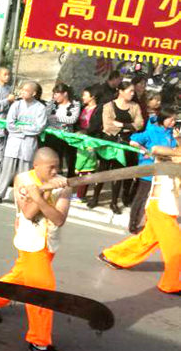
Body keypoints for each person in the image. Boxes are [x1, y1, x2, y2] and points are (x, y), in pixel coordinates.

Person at [0, 148, 71, 351]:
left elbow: (59, 219)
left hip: (49, 243)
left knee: (19, 277)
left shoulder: (63, 183)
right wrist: (45, 192)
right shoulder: (22, 179)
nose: (55, 171)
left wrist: (43, 192)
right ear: (36, 166)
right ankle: (39, 342)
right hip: (30, 244)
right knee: (42, 292)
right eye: (51, 167)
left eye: (57, 167)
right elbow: (29, 213)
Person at [98, 136, 181, 294]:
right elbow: (155, 149)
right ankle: (170, 284)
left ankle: (112, 256)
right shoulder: (164, 159)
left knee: (146, 240)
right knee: (176, 248)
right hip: (160, 208)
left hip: (165, 209)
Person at [86, 81, 144, 213]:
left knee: (118, 173)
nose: (132, 94)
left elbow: (140, 123)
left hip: (124, 143)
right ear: (121, 91)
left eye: (133, 91)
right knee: (103, 170)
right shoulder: (108, 105)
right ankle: (95, 198)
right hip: (109, 141)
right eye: (130, 91)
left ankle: (114, 202)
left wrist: (123, 126)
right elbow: (108, 125)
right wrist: (129, 126)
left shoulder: (135, 106)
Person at [0, 81, 47, 206]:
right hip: (14, 143)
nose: (23, 92)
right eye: (22, 90)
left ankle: (23, 198)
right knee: (6, 171)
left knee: (25, 174)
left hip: (28, 145)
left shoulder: (40, 108)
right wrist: (25, 130)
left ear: (34, 93)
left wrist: (21, 129)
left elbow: (39, 127)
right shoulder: (16, 105)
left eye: (26, 90)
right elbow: (10, 124)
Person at [124, 109, 178, 235]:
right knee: (141, 197)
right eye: (171, 119)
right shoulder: (152, 130)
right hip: (148, 170)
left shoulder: (170, 132)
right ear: (162, 119)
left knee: (154, 200)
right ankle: (134, 224)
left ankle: (150, 225)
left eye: (174, 119)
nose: (173, 122)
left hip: (162, 171)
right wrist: (146, 151)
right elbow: (133, 141)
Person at [73, 85, 103, 201]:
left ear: (92, 97)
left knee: (86, 167)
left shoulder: (98, 110)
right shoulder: (83, 108)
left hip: (90, 140)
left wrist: (85, 132)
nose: (82, 97)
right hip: (80, 140)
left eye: (85, 95)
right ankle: (80, 193)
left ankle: (81, 195)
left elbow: (95, 126)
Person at [45, 82, 80, 178]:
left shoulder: (74, 104)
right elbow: (46, 115)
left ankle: (70, 178)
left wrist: (55, 118)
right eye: (54, 94)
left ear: (65, 93)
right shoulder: (52, 103)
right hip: (52, 135)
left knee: (69, 158)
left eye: (57, 94)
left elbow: (72, 119)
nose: (54, 96)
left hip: (67, 136)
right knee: (54, 158)